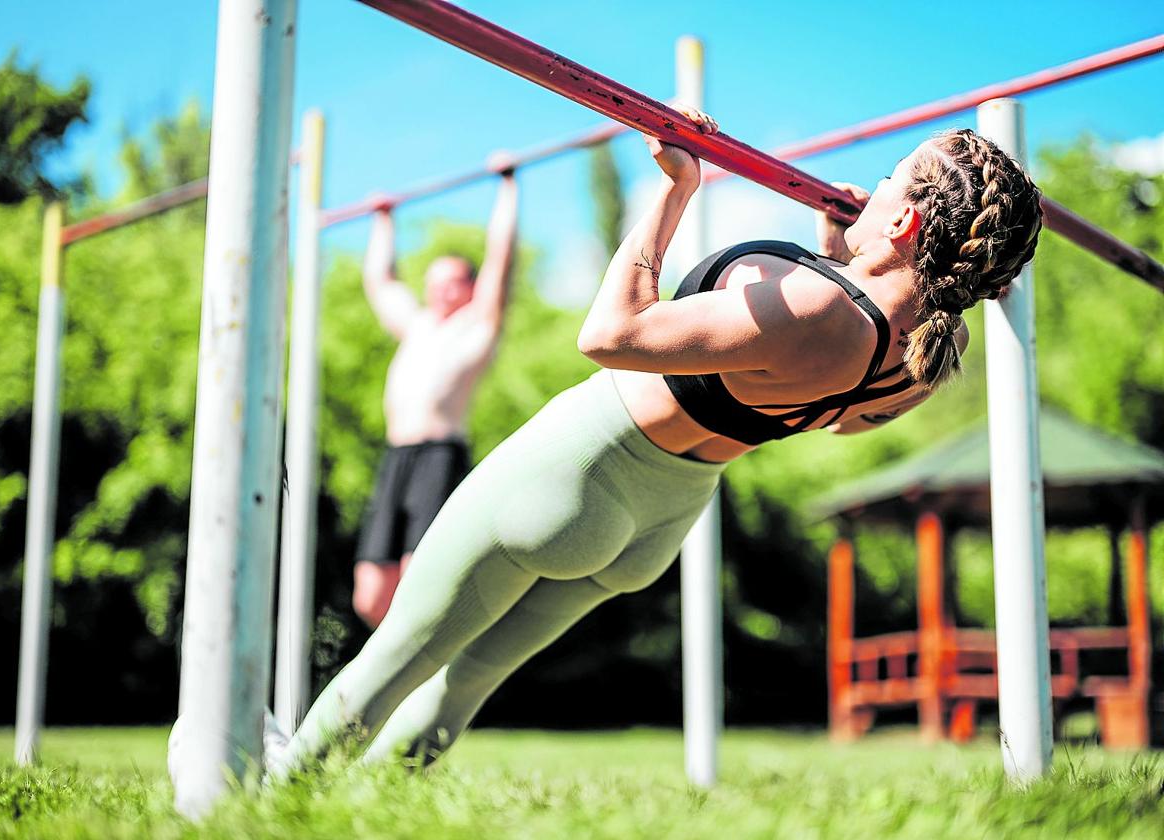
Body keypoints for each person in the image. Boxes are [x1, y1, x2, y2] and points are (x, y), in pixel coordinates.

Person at [268, 106, 1041, 776]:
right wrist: (840, 254)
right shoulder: (918, 360)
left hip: (579, 469)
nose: (870, 187)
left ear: (906, 221)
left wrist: (676, 190)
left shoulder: (817, 309)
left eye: (889, 178)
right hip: (660, 520)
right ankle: (378, 802)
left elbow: (610, 333)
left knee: (394, 658)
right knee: (465, 682)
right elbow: (830, 403)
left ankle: (270, 799)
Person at [352, 160, 519, 628]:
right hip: (396, 456)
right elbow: (379, 282)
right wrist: (383, 221)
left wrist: (507, 186)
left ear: (468, 288)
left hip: (438, 454)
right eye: (433, 283)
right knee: (370, 596)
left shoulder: (476, 327)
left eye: (450, 282)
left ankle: (429, 666)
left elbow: (501, 255)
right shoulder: (417, 327)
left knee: (415, 578)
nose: (438, 290)